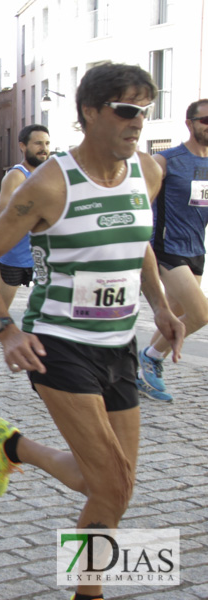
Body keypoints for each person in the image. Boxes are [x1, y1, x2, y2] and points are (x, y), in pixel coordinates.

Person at [0, 63, 184, 600]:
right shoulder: (49, 184)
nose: (138, 122)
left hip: (120, 345)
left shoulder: (148, 172)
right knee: (111, 482)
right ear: (90, 111)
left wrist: (160, 307)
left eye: (145, 111)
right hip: (58, 345)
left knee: (112, 485)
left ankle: (14, 447)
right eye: (127, 110)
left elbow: (138, 248)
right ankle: (88, 593)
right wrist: (6, 329)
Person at [136, 98, 208, 402]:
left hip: (196, 248)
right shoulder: (167, 160)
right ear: (190, 124)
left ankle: (147, 365)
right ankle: (151, 356)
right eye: (206, 120)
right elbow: (142, 198)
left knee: (178, 316)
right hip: (166, 247)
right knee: (201, 314)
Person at [0, 125, 50, 377]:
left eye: (46, 143)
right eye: (38, 144)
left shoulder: (51, 174)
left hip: (42, 255)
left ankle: (48, 352)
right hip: (15, 254)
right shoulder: (17, 175)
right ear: (23, 146)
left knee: (50, 304)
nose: (44, 149)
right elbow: (2, 214)